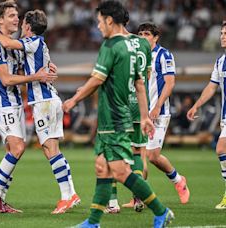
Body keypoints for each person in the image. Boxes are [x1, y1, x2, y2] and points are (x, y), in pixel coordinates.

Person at [62, 1, 173, 227]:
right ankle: (93, 222)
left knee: (121, 172)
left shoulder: (111, 45)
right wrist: (143, 116)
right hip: (116, 116)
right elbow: (141, 82)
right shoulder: (137, 45)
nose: (98, 25)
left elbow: (97, 79)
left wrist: (75, 98)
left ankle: (161, 211)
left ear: (109, 20)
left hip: (114, 117)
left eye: (100, 21)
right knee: (102, 167)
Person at [0, 9, 80, 214]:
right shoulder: (16, 44)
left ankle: (68, 195)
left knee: (48, 149)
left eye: (19, 18)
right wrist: (44, 70)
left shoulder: (28, 42)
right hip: (20, 102)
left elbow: (12, 47)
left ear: (27, 26)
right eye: (12, 16)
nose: (17, 21)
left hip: (43, 101)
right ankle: (69, 193)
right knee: (36, 148)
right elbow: (10, 76)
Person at [138, 22, 190, 204]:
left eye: (147, 34)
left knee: (152, 156)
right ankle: (138, 198)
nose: (143, 37)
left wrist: (158, 106)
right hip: (140, 112)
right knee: (139, 154)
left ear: (156, 37)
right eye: (141, 34)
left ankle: (178, 180)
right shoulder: (138, 57)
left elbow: (170, 83)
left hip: (159, 112)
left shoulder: (164, 55)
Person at [105, 13, 152, 213]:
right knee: (135, 152)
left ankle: (113, 203)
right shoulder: (143, 44)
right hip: (139, 105)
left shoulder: (113, 44)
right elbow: (146, 75)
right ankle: (138, 196)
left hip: (120, 104)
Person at [187, 21, 226, 209]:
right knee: (221, 150)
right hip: (225, 117)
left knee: (221, 148)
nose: (223, 36)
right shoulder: (221, 61)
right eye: (221, 33)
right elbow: (212, 87)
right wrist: (196, 105)